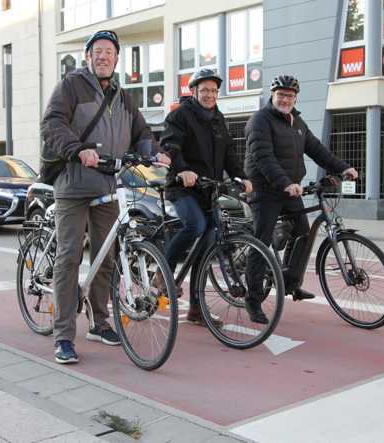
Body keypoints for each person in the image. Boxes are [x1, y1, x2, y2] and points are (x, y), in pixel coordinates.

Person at [40, 30, 170, 364]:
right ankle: (64, 335)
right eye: (97, 51)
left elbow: (141, 133)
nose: (103, 56)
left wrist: (154, 153)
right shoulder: (70, 86)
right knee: (70, 256)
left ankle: (99, 322)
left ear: (116, 59)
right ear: (87, 56)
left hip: (107, 186)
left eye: (109, 52)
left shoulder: (123, 97)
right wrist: (77, 149)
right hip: (72, 184)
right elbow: (52, 124)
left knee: (107, 257)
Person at [243, 75, 358, 324]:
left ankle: (290, 284)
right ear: (272, 96)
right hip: (265, 190)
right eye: (280, 94)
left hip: (289, 189)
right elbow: (263, 158)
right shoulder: (259, 121)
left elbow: (317, 150)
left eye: (289, 95)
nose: (285, 99)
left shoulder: (298, 122)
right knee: (260, 242)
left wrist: (343, 167)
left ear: (296, 98)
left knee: (303, 235)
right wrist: (285, 182)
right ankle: (252, 300)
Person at [159, 67, 252, 327]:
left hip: (209, 189)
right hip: (183, 186)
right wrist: (183, 170)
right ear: (194, 91)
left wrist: (241, 176)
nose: (210, 94)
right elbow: (170, 146)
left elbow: (230, 153)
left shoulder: (218, 118)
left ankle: (197, 310)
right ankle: (162, 274)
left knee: (208, 244)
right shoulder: (180, 116)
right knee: (196, 225)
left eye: (213, 90)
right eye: (205, 90)